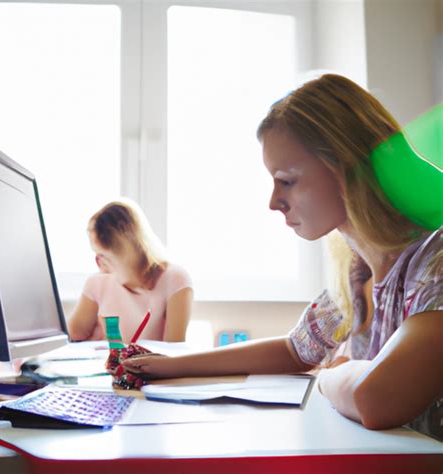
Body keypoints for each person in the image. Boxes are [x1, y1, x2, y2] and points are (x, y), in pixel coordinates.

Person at [109, 74, 442, 439]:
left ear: (346, 167)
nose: (273, 202)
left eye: (287, 180)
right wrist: (169, 365)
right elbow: (295, 349)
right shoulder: (358, 270)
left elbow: (376, 398)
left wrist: (328, 376)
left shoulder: (435, 261)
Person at [68, 199, 193, 343]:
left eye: (103, 256)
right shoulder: (98, 282)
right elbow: (73, 335)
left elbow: (173, 349)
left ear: (124, 252)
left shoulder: (175, 280)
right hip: (105, 357)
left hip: (148, 358)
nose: (99, 265)